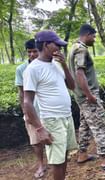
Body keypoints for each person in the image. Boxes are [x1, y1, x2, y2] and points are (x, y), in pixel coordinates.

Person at [23, 30, 78, 180]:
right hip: (52, 120)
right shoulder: (33, 69)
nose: (59, 48)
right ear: (46, 45)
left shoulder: (56, 64)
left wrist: (65, 65)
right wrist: (40, 129)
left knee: (64, 155)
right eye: (57, 45)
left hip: (66, 117)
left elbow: (72, 86)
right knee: (57, 161)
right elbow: (27, 102)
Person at [68, 24, 105, 170]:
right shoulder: (81, 49)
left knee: (85, 125)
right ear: (87, 34)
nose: (94, 39)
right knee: (99, 125)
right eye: (94, 36)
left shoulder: (73, 47)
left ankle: (82, 154)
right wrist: (89, 95)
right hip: (87, 96)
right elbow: (79, 73)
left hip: (80, 96)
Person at [15, 39, 46, 178]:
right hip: (32, 109)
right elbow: (21, 93)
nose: (32, 54)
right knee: (36, 140)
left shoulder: (46, 65)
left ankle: (55, 160)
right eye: (29, 52)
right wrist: (25, 112)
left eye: (35, 51)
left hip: (47, 108)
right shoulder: (21, 69)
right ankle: (41, 164)